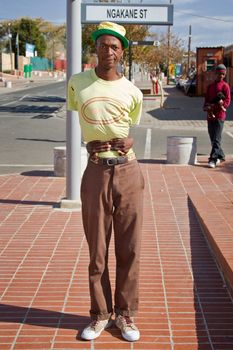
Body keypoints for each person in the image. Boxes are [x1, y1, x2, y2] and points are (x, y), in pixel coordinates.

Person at [68, 21, 144, 342]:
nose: (108, 51)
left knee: (130, 248)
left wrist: (129, 141)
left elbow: (131, 127)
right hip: (96, 172)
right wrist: (88, 144)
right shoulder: (78, 84)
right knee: (97, 250)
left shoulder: (132, 90)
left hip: (128, 171)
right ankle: (100, 315)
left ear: (122, 51)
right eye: (103, 45)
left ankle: (124, 315)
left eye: (115, 46)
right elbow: (81, 122)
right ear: (95, 48)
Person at [203, 64, 231, 168]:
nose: (221, 75)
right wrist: (206, 107)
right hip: (210, 115)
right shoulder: (210, 87)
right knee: (212, 138)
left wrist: (222, 103)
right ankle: (221, 155)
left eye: (223, 74)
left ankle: (213, 159)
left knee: (216, 138)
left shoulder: (225, 86)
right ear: (216, 73)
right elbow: (206, 101)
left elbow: (228, 100)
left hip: (220, 115)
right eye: (219, 73)